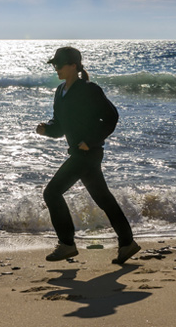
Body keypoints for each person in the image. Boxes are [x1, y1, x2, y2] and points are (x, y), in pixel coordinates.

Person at [36, 47, 140, 265]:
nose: (56, 68)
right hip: (78, 153)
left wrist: (91, 141)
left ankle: (67, 244)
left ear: (73, 66)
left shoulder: (89, 89)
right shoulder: (60, 91)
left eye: (59, 65)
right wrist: (47, 129)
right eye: (54, 65)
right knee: (104, 199)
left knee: (52, 193)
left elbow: (111, 117)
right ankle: (128, 243)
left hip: (88, 154)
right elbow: (60, 125)